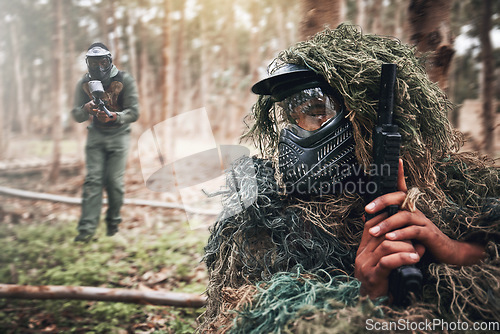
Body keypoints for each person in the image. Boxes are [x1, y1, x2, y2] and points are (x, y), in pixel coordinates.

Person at [200, 24, 500, 333]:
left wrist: (454, 251)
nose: (295, 132)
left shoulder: (450, 187)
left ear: (366, 120)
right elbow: (246, 318)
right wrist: (364, 297)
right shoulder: (263, 218)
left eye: (317, 111)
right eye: (291, 117)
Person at [71, 43, 139, 242]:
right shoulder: (83, 83)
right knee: (93, 181)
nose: (99, 67)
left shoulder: (124, 80)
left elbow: (134, 112)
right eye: (94, 63)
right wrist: (86, 109)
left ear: (110, 61)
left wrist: (115, 117)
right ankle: (86, 232)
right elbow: (76, 115)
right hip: (96, 136)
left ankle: (113, 225)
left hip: (119, 135)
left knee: (114, 183)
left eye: (103, 62)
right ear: (88, 63)